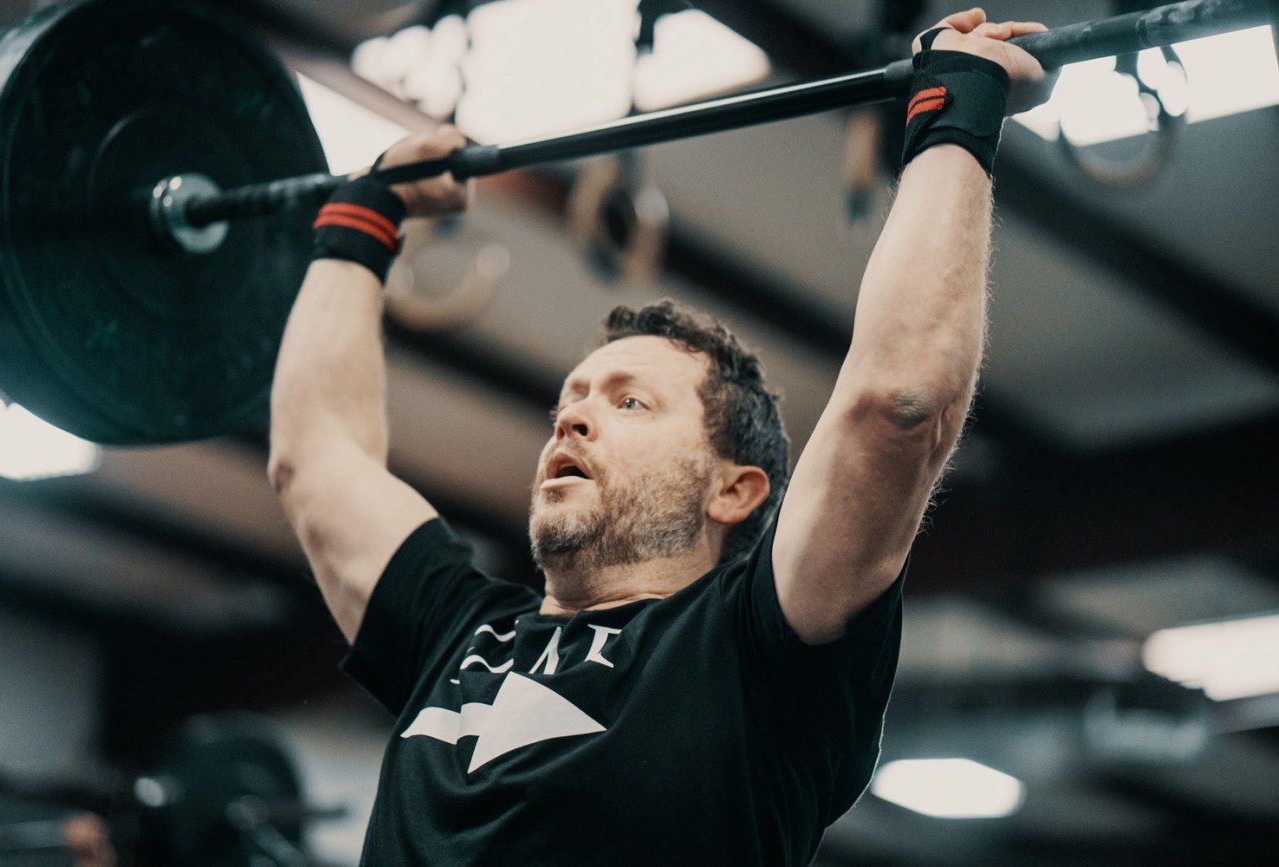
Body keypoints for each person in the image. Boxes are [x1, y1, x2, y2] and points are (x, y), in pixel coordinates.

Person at [268, 9, 1056, 864]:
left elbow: (897, 406)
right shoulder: (459, 631)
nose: (572, 415)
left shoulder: (757, 652)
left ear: (734, 487)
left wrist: (956, 108)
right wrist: (360, 219)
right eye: (571, 400)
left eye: (629, 402)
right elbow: (314, 461)